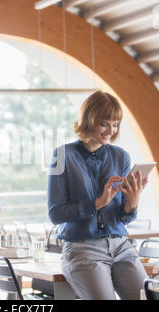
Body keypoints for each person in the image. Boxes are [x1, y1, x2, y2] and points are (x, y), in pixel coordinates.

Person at [47, 91, 149, 300]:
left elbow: (123, 216)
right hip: (82, 250)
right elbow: (55, 214)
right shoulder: (62, 155)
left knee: (147, 298)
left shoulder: (121, 156)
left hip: (121, 247)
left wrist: (133, 202)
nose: (111, 130)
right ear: (88, 120)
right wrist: (98, 203)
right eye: (104, 123)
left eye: (116, 124)